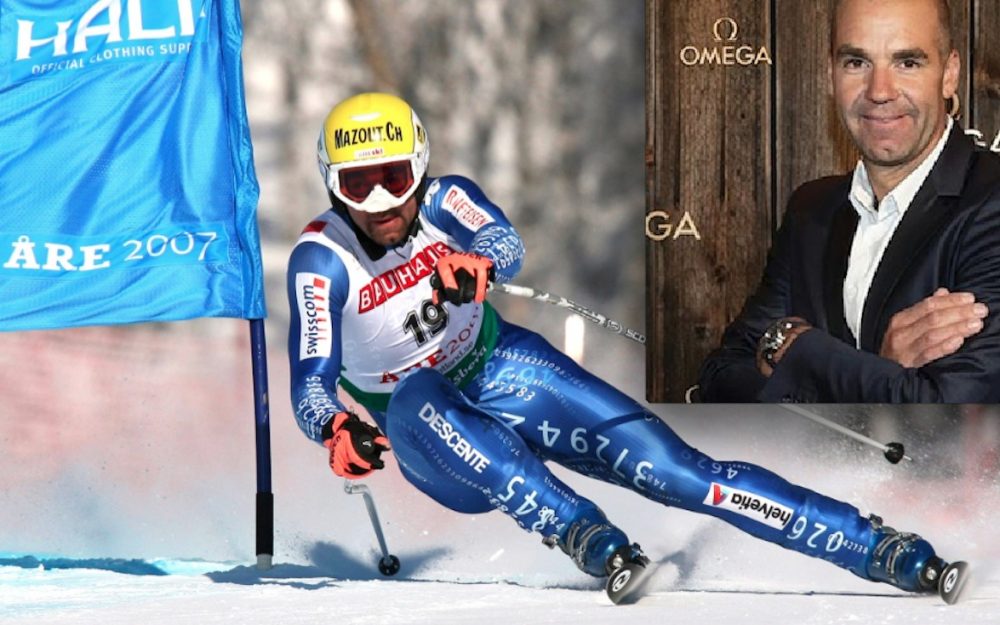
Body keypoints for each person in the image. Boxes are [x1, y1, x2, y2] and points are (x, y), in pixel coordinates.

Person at [287, 92, 960, 602]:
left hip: (505, 370)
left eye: (394, 178)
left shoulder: (444, 200)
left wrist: (481, 267)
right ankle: (584, 532)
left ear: (420, 168)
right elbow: (310, 380)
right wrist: (334, 427)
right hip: (433, 440)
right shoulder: (321, 259)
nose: (380, 201)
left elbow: (501, 241)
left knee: (678, 470)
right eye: (356, 184)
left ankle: (878, 546)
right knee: (416, 391)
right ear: (332, 185)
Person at [698, 0, 1000, 403]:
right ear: (829, 75)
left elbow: (953, 408)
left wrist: (798, 350)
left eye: (907, 63)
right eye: (856, 62)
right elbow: (720, 380)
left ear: (949, 75)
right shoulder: (811, 208)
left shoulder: (992, 199)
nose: (879, 92)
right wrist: (877, 366)